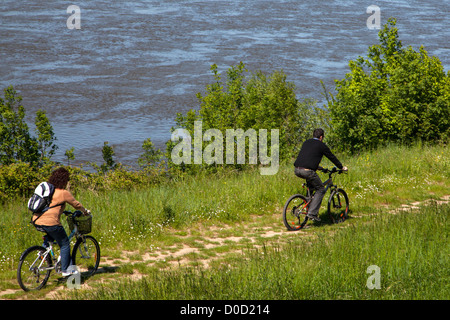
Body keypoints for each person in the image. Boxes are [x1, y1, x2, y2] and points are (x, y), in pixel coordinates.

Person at [32, 167, 89, 277]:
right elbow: (76, 204)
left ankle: (42, 253)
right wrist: (85, 211)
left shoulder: (48, 191)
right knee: (65, 244)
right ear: (64, 181)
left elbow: (50, 206)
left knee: (50, 238)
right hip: (51, 222)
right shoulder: (63, 193)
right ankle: (66, 270)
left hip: (36, 220)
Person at [294, 129, 347, 222]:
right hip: (308, 171)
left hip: (297, 169)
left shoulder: (306, 142)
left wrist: (318, 167)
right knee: (321, 189)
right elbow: (331, 157)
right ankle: (312, 213)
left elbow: (307, 156)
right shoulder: (321, 145)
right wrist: (341, 167)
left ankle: (308, 208)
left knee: (311, 189)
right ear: (321, 137)